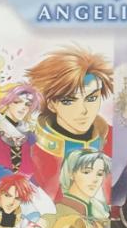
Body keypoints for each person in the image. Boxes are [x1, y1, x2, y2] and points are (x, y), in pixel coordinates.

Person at [25, 46, 114, 198]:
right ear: (51, 104)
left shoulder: (113, 139)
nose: (83, 110)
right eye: (69, 101)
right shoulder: (31, 149)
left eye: (92, 98)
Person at [54, 148, 111, 221]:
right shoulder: (61, 208)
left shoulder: (98, 208)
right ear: (71, 173)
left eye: (100, 174)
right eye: (86, 172)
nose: (95, 179)